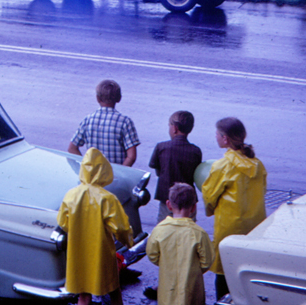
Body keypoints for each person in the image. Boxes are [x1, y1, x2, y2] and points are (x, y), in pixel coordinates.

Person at [57, 148, 134, 305]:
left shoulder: (71, 195)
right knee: (113, 289)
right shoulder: (107, 198)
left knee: (83, 295)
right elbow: (120, 228)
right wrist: (128, 241)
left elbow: (63, 223)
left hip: (78, 252)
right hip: (102, 252)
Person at [202, 117, 266, 300]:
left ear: (225, 139)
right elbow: (263, 190)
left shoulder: (223, 166)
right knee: (246, 273)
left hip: (228, 227)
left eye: (217, 133)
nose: (215, 136)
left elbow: (209, 196)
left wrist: (210, 210)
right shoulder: (258, 164)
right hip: (255, 226)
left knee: (223, 272)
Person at [146, 183, 214, 305]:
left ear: (169, 205)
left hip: (167, 288)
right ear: (193, 208)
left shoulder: (159, 230)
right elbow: (207, 261)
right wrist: (195, 270)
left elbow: (152, 255)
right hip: (192, 288)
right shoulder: (198, 233)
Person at [68, 79, 139, 166]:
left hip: (93, 177)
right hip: (116, 177)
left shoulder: (87, 120)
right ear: (119, 98)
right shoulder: (125, 122)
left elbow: (72, 148)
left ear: (97, 98)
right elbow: (131, 156)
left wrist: (86, 167)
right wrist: (120, 173)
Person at [149, 111, 203, 222]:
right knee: (188, 230)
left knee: (164, 228)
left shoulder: (162, 147)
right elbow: (196, 175)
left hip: (167, 198)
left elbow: (158, 170)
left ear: (174, 128)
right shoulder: (196, 151)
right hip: (188, 200)